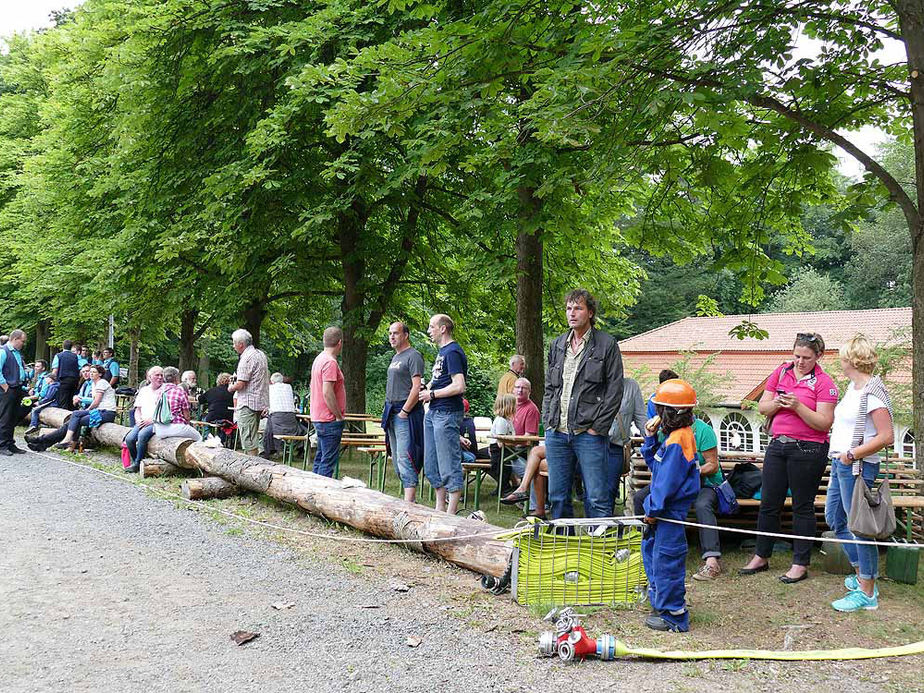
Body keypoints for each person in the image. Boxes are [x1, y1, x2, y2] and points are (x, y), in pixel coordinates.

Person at [740, 332, 837, 583]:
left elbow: (824, 423)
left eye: (806, 357)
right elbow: (763, 407)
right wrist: (779, 404)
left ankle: (800, 562)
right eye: (796, 356)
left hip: (809, 449)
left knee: (802, 506)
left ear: (818, 357)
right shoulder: (782, 372)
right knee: (769, 503)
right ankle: (761, 555)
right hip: (777, 445)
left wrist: (797, 406)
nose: (800, 362)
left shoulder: (825, 383)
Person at [825, 335, 894, 612]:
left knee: (860, 528)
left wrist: (852, 454)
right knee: (835, 518)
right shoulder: (853, 388)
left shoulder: (873, 393)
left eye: (842, 356)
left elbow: (887, 436)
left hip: (857, 465)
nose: (839, 361)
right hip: (841, 463)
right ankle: (861, 574)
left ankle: (867, 592)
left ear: (850, 360)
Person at [542, 288, 624, 519]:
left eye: (578, 308)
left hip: (589, 433)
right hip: (557, 432)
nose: (572, 313)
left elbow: (615, 390)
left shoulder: (606, 344)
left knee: (597, 496)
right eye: (569, 308)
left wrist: (597, 427)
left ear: (590, 312)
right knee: (557, 496)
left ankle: (599, 548)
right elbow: (550, 388)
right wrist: (548, 420)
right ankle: (562, 546)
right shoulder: (557, 345)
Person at [640, 379, 701, 632]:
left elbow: (665, 484)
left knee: (667, 561)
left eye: (658, 409)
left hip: (669, 513)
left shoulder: (679, 441)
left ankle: (674, 616)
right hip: (664, 511)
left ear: (669, 412)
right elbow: (657, 465)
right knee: (654, 556)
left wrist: (652, 511)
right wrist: (650, 440)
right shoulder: (674, 437)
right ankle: (660, 603)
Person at [633, 413, 723, 580]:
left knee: (703, 505)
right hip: (675, 484)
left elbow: (713, 465)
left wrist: (688, 472)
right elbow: (658, 464)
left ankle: (712, 561)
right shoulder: (664, 431)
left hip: (705, 483)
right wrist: (650, 437)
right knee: (640, 498)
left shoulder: (703, 430)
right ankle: (647, 547)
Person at [419, 314, 468, 514]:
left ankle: (451, 512)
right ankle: (439, 507)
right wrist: (426, 387)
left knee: (448, 462)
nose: (429, 330)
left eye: (432, 327)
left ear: (443, 329)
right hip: (433, 413)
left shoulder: (453, 352)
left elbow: (459, 385)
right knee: (431, 463)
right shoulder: (442, 353)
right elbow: (439, 380)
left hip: (447, 413)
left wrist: (432, 394)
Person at [381, 322, 425, 503]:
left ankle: (409, 504)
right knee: (396, 458)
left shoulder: (413, 356)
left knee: (406, 457)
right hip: (391, 412)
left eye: (396, 333)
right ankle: (409, 501)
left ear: (405, 335)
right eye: (390, 333)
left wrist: (405, 411)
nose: (392, 337)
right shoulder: (395, 357)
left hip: (404, 413)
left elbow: (417, 387)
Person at [52, 364, 119, 452]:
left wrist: (87, 410)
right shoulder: (94, 384)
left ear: (100, 374)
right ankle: (70, 445)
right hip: (99, 411)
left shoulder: (102, 383)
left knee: (76, 415)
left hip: (107, 413)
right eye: (90, 372)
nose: (91, 374)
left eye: (94, 372)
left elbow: (96, 401)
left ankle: (68, 441)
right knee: (77, 418)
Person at [310, 327, 346, 477]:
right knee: (327, 461)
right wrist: (338, 415)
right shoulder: (330, 362)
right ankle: (322, 494)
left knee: (320, 458)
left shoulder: (319, 359)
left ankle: (312, 491)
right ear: (340, 343)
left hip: (318, 416)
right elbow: (327, 391)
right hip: (329, 418)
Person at [227, 329, 269, 456]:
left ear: (241, 344)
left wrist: (230, 387)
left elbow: (241, 384)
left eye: (234, 343)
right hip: (259, 401)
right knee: (252, 436)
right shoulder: (260, 354)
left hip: (247, 404)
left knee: (249, 439)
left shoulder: (246, 358)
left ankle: (252, 467)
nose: (233, 346)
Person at [123, 366, 165, 473]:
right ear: (150, 377)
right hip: (142, 420)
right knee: (129, 439)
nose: (160, 377)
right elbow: (137, 409)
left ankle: (137, 463)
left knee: (142, 435)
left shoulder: (165, 390)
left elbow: (165, 412)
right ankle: (136, 459)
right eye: (157, 375)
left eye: (161, 375)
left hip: (157, 422)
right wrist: (138, 420)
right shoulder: (144, 390)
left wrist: (152, 420)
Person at [153, 367, 202, 442]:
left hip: (159, 429)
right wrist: (187, 425)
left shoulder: (159, 391)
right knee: (199, 438)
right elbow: (187, 416)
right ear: (176, 378)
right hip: (176, 427)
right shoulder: (179, 391)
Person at [0, 330, 28, 456]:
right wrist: (4, 385)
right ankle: (2, 444)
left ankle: (10, 443)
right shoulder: (3, 351)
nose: (23, 344)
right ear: (15, 339)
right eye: (22, 341)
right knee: (5, 417)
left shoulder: (17, 353)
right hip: (8, 388)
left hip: (18, 387)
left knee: (13, 416)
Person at [263, 372, 303, 458]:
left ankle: (268, 451)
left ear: (272, 381)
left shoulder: (270, 388)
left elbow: (267, 404)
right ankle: (300, 450)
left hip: (277, 419)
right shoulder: (289, 387)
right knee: (303, 428)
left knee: (269, 426)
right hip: (291, 419)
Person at [199, 373, 235, 443]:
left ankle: (207, 437)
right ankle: (222, 440)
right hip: (229, 418)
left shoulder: (212, 390)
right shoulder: (234, 392)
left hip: (213, 416)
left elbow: (201, 400)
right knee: (224, 424)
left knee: (204, 419)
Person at [51, 340, 81, 410]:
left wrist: (53, 380)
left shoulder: (58, 356)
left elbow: (55, 370)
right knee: (72, 400)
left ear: (62, 346)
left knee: (63, 401)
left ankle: (63, 418)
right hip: (74, 381)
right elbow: (80, 369)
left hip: (63, 380)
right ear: (71, 347)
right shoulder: (76, 356)